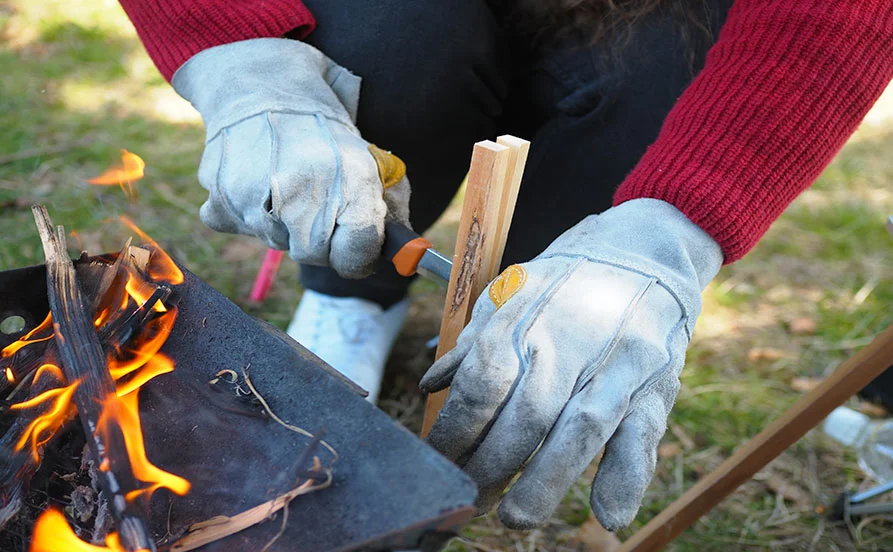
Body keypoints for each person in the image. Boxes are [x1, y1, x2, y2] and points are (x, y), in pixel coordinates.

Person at [119, 0, 892, 532]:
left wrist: (673, 227)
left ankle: (509, 342)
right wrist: (242, 61)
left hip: (659, 22)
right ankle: (353, 299)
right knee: (386, 39)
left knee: (660, 84)